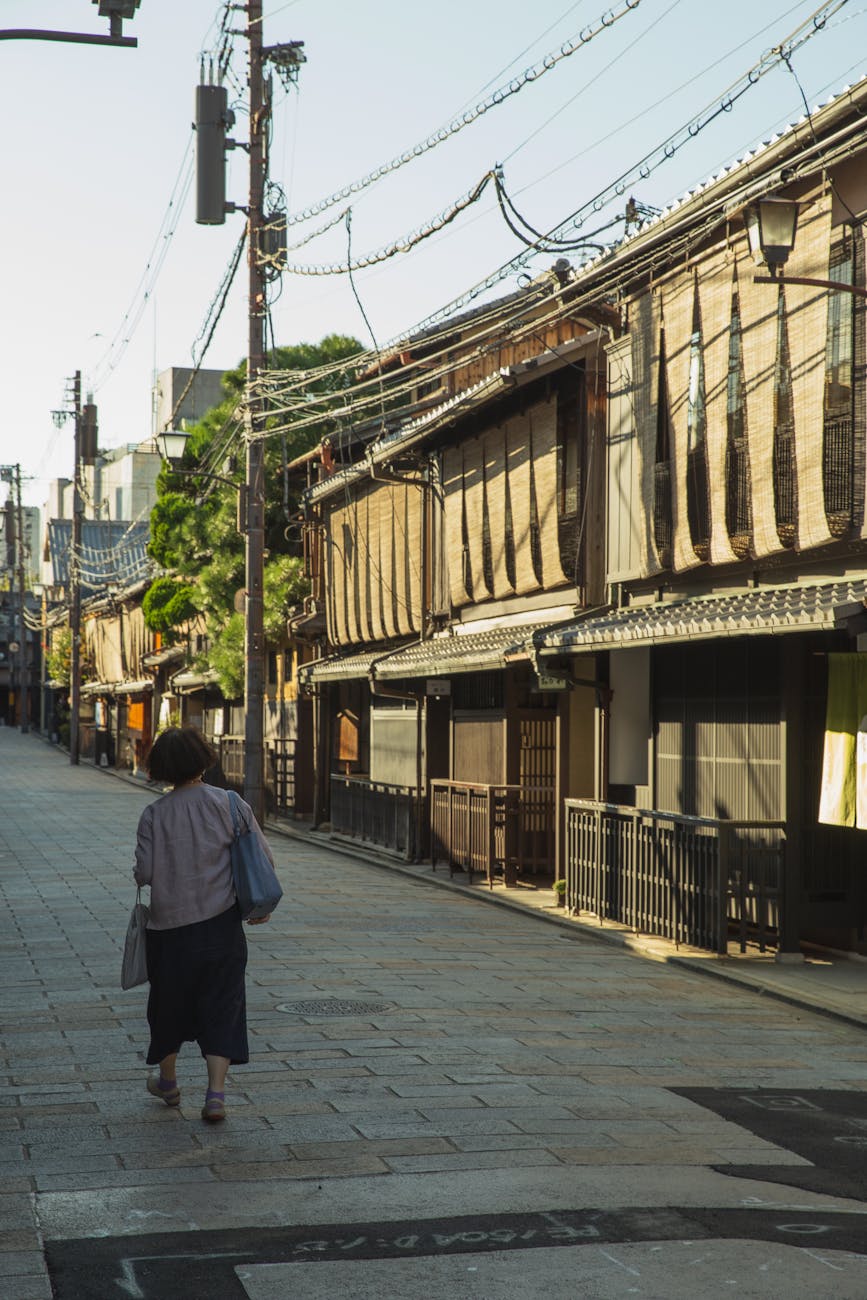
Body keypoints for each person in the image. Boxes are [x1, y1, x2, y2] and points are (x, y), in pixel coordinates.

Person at [133, 725, 274, 1122]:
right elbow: (263, 859)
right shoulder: (229, 803)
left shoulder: (153, 815)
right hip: (221, 926)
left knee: (168, 1007)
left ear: (159, 767)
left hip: (169, 930)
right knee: (222, 1006)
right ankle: (215, 1095)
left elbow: (143, 873)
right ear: (203, 760)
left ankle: (169, 1082)